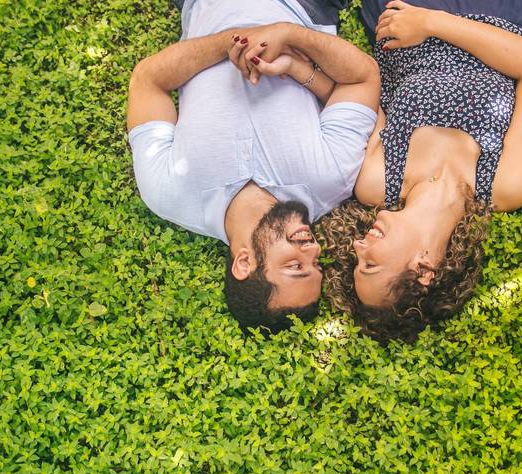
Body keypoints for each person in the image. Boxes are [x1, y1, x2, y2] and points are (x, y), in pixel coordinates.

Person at [127, 0, 379, 332]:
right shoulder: (328, 181)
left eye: (294, 264)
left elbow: (148, 80)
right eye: (315, 262)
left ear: (245, 262)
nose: (314, 247)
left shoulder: (168, 192)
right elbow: (362, 79)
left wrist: (231, 42)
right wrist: (289, 35)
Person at [319, 0, 522, 342]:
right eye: (369, 265)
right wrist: (432, 22)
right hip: (492, 12)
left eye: (356, 261)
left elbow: (364, 83)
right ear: (423, 271)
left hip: (397, 14)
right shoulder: (505, 185)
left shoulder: (376, 182)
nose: (358, 247)